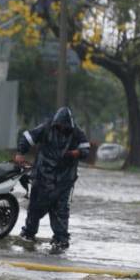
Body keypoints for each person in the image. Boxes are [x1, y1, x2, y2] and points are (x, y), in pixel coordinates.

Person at [14, 107, 90, 251]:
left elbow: (86, 149)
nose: (61, 128)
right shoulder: (46, 127)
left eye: (63, 126)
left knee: (61, 210)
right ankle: (28, 235)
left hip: (64, 180)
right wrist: (20, 153)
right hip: (42, 176)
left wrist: (76, 153)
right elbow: (28, 138)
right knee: (35, 208)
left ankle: (60, 240)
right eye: (59, 125)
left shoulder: (77, 133)